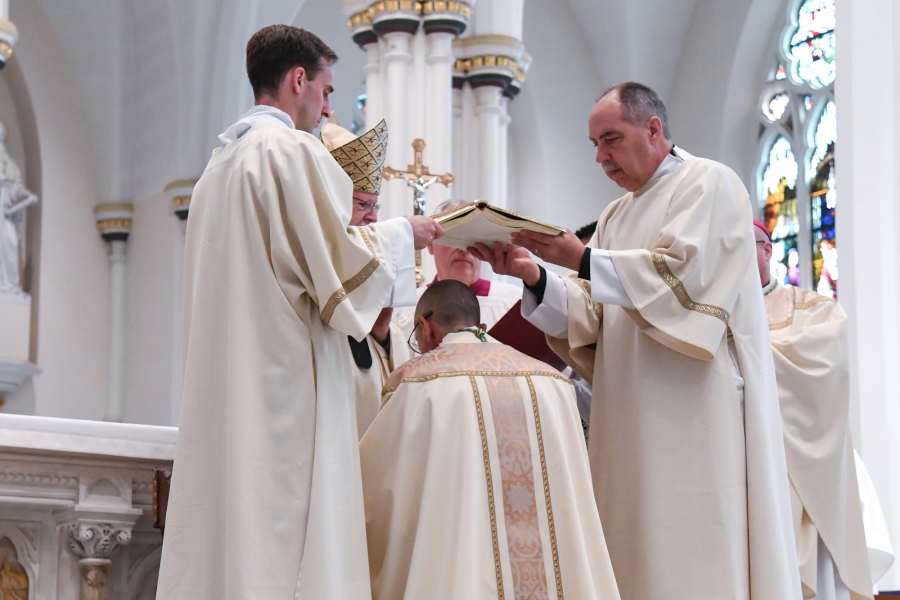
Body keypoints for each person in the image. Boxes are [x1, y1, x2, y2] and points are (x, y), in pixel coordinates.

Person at [471, 81, 801, 599]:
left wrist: (579, 258)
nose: (601, 158)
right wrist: (533, 275)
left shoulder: (707, 183)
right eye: (594, 146)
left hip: (693, 414)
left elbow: (682, 284)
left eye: (611, 139)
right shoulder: (616, 215)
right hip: (627, 421)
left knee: (696, 559)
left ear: (653, 129)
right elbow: (592, 314)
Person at [156, 25, 442, 600]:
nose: (328, 106)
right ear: (297, 79)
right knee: (288, 539)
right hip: (284, 384)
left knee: (237, 534)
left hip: (234, 378)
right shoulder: (288, 151)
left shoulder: (219, 166)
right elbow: (335, 267)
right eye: (327, 90)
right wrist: (403, 234)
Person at [360, 280, 621, 600]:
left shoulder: (417, 384)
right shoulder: (551, 383)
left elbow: (378, 489)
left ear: (425, 328)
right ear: (480, 325)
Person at [755, 220, 873, 600]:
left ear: (767, 249)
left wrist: (742, 355)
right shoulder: (705, 313)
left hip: (800, 460)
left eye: (744, 244)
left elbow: (825, 370)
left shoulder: (812, 308)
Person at [319, 118, 410, 439]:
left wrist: (383, 333)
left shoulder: (374, 260)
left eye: (376, 206)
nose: (373, 216)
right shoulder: (318, 259)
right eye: (363, 205)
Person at [393, 198, 522, 355]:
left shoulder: (516, 304)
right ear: (430, 245)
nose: (464, 249)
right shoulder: (403, 308)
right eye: (454, 237)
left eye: (473, 238)